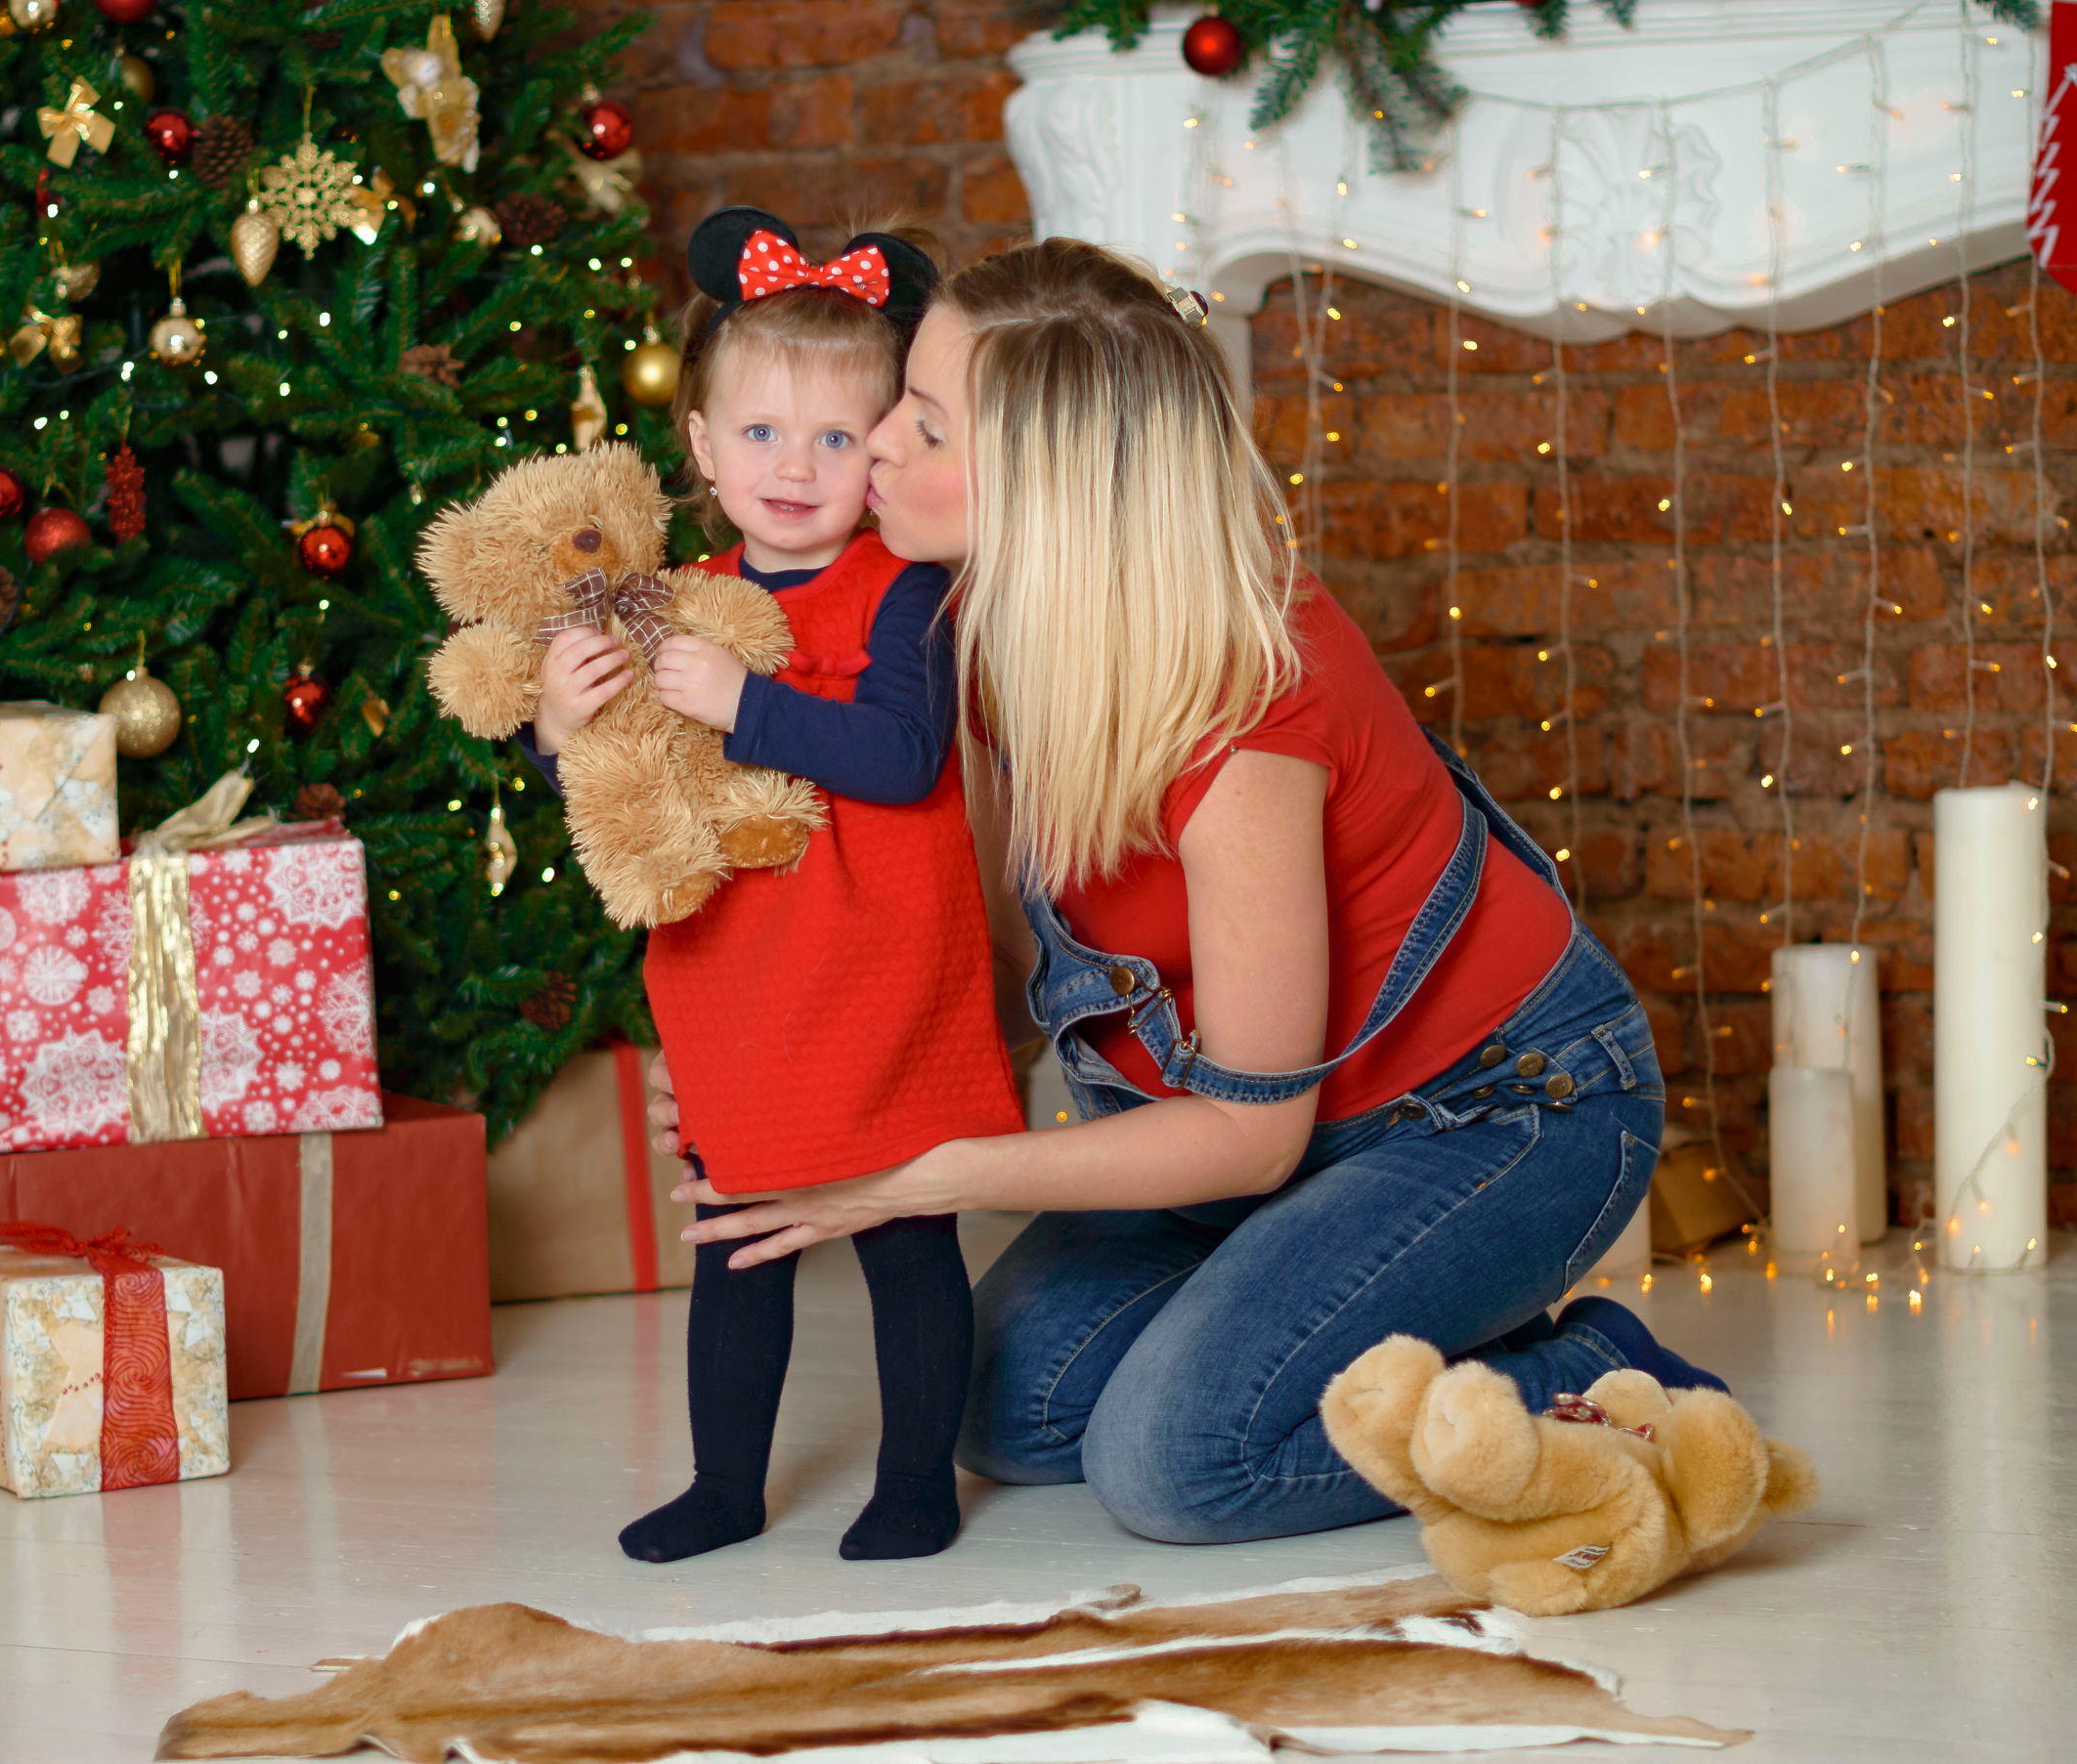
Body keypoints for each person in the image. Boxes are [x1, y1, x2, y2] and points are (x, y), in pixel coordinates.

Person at [648, 237, 1724, 1546]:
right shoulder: (971, 631)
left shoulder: (1246, 711)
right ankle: (1341, 1305)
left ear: (1049, 486)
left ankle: (1593, 1376)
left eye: (921, 426)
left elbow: (1255, 1132)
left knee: (1177, 1460)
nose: (869, 446)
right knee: (998, 1410)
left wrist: (898, 1180)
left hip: (1491, 1108)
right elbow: (976, 960)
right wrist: (767, 1060)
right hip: (1232, 1123)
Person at [524, 207, 1023, 1563]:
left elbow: (905, 754)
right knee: (738, 1237)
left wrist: (748, 702)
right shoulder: (668, 594)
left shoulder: (906, 590)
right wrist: (557, 724)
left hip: (882, 963)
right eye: (759, 434)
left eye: (836, 439)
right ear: (698, 447)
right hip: (739, 970)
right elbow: (611, 750)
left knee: (909, 1233)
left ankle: (917, 1477)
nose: (794, 469)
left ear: (889, 452)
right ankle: (725, 1485)